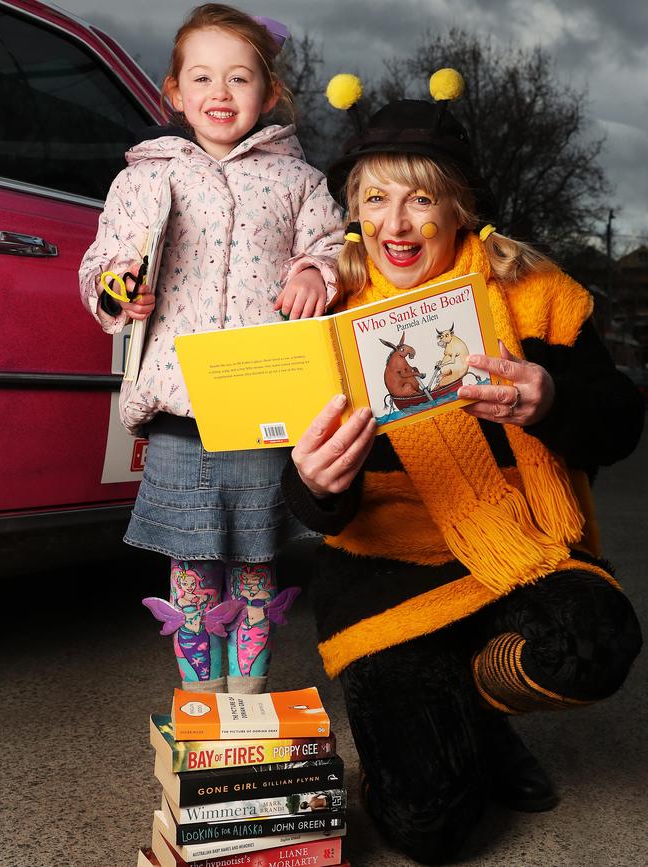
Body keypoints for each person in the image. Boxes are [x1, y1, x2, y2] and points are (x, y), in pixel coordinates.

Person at [281, 68, 644, 863]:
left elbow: (620, 421)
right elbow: (302, 495)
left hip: (514, 556)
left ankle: (476, 711)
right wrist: (315, 484)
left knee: (595, 642)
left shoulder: (531, 289)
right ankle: (446, 733)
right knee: (428, 831)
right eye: (375, 199)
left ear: (458, 206)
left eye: (419, 198)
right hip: (385, 585)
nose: (396, 224)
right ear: (354, 213)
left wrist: (550, 397)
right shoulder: (324, 315)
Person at [79, 4, 343, 695]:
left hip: (263, 407)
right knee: (193, 563)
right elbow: (104, 262)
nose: (219, 94)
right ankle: (202, 693)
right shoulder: (144, 178)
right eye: (202, 77)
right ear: (173, 91)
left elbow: (331, 248)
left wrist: (317, 272)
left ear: (269, 93)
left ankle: (248, 694)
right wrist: (116, 291)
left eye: (238, 78)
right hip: (179, 407)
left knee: (256, 560)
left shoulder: (299, 181)